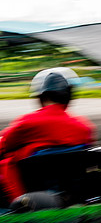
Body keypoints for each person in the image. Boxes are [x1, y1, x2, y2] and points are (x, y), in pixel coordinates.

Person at [0, 68, 95, 203]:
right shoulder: (84, 126)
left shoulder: (28, 122)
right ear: (67, 98)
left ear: (41, 97)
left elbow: (4, 144)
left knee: (6, 161)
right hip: (68, 182)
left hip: (32, 183)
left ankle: (19, 203)